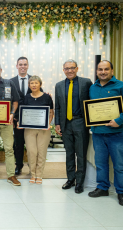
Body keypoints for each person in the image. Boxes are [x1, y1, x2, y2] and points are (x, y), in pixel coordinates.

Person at [88, 60, 123, 206]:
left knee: (119, 164)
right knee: (101, 163)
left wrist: (119, 121)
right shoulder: (92, 87)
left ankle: (121, 191)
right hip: (98, 133)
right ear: (97, 71)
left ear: (112, 71)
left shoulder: (120, 85)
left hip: (116, 133)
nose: (103, 72)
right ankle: (102, 188)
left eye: (106, 69)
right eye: (100, 69)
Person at [55, 59, 92, 194]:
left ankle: (80, 182)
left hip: (80, 122)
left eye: (72, 68)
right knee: (69, 153)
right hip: (66, 124)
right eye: (67, 68)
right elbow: (57, 106)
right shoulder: (59, 85)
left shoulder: (86, 82)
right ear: (63, 70)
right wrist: (57, 123)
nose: (70, 70)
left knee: (81, 154)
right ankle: (70, 179)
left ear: (77, 69)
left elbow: (91, 102)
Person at [10, 57, 42, 175]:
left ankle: (32, 166)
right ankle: (18, 166)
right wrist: (11, 116)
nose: (23, 66)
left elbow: (40, 95)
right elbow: (9, 100)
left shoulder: (34, 80)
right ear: (16, 66)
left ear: (27, 66)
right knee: (18, 144)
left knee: (31, 145)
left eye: (25, 64)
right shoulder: (10, 81)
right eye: (20, 64)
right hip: (16, 119)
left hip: (31, 119)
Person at [20, 76, 54, 184]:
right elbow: (23, 113)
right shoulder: (26, 98)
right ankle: (32, 174)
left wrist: (48, 123)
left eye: (36, 83)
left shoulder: (47, 97)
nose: (34, 85)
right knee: (31, 151)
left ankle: (39, 175)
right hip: (29, 129)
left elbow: (51, 112)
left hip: (44, 129)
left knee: (41, 152)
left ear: (40, 84)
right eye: (32, 83)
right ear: (29, 85)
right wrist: (20, 123)